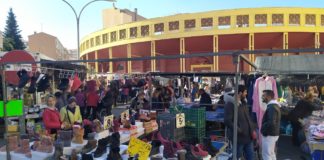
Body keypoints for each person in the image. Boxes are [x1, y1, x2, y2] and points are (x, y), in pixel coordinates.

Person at [224, 85, 255, 160]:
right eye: (245, 92)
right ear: (240, 93)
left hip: (248, 137)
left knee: (250, 157)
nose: (246, 93)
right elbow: (227, 120)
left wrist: (252, 129)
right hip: (238, 137)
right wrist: (239, 130)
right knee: (236, 156)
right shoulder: (230, 104)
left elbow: (247, 118)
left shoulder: (243, 103)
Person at [261, 90, 281, 160]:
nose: (262, 97)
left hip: (269, 134)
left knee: (267, 154)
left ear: (268, 97)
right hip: (272, 133)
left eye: (263, 96)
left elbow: (271, 122)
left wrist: (264, 130)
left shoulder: (272, 107)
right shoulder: (273, 106)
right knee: (271, 153)